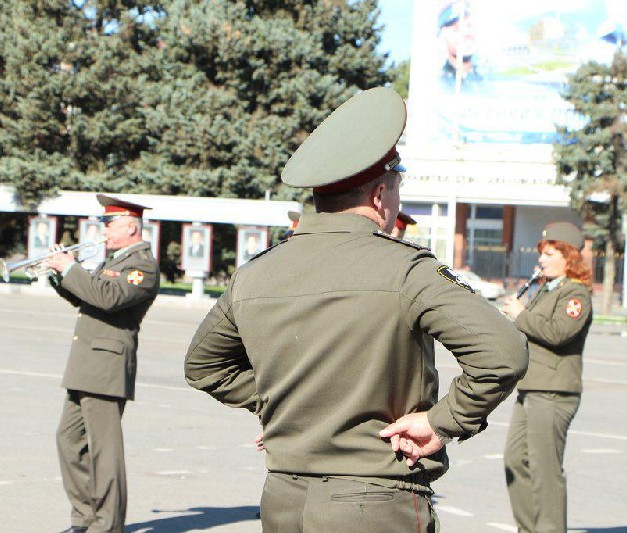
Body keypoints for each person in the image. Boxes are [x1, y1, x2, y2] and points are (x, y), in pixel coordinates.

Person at [184, 87, 528, 532]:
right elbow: (503, 352)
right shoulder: (406, 269)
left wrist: (290, 406)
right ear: (382, 195)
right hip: (374, 502)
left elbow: (203, 366)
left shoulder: (255, 273)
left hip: (284, 501)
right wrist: (441, 422)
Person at [44, 194, 159, 533]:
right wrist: (58, 274)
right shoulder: (118, 259)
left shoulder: (142, 265)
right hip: (86, 365)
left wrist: (70, 268)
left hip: (106, 367)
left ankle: (107, 526)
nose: (104, 231)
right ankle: (85, 517)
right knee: (68, 441)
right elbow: (88, 294)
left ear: (130, 225)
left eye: (109, 224)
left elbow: (108, 298)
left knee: (104, 453)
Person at [501, 221, 593, 533]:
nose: (541, 259)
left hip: (554, 392)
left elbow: (558, 333)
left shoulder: (575, 294)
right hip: (530, 388)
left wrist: (521, 315)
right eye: (542, 253)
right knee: (514, 462)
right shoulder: (545, 290)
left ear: (570, 258)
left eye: (550, 253)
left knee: (545, 471)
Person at [438, 0, 482, 92]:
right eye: (456, 29)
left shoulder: (485, 78)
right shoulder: (439, 82)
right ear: (442, 34)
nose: (466, 33)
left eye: (469, 26)